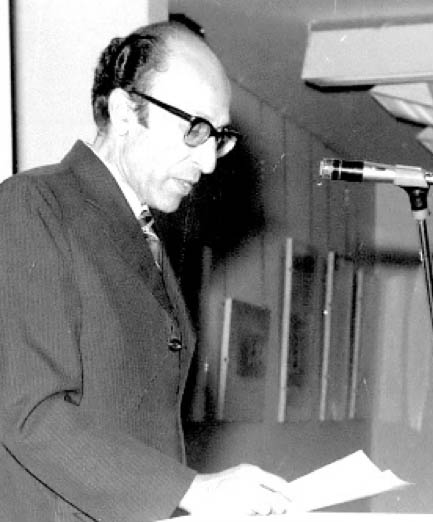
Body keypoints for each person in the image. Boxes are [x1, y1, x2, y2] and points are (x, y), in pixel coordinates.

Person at [0, 20, 292, 522]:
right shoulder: (33, 205)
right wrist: (194, 490)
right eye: (195, 129)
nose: (209, 162)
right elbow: (30, 411)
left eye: (218, 137)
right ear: (123, 112)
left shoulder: (142, 236)